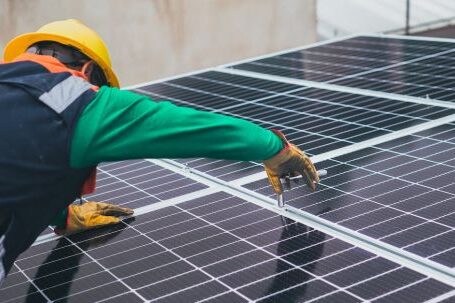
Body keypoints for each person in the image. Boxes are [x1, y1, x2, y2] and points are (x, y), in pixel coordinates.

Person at [0, 19, 319, 283]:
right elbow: (193, 128)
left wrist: (61, 214)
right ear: (87, 72)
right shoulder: (79, 103)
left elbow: (19, 160)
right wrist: (275, 148)